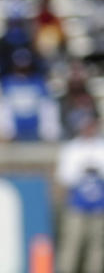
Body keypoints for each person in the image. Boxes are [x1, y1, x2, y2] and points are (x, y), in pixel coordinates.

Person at [56, 115, 104, 273]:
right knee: (72, 242)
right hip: (77, 204)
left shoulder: (101, 146)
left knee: (97, 244)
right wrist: (82, 171)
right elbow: (64, 176)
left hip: (100, 204)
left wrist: (97, 170)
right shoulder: (72, 148)